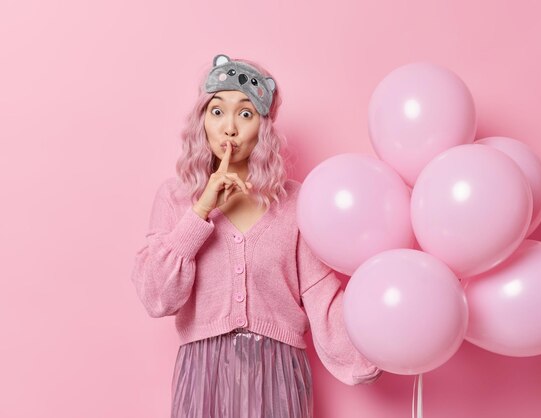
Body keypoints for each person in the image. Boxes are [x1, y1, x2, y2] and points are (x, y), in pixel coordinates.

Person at [130, 53, 382, 418]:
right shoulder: (175, 197)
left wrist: (376, 349)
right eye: (217, 112)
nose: (229, 128)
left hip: (278, 373)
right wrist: (201, 210)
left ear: (262, 128)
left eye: (245, 114)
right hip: (204, 373)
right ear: (201, 121)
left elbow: (320, 293)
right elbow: (156, 297)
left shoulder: (295, 202)